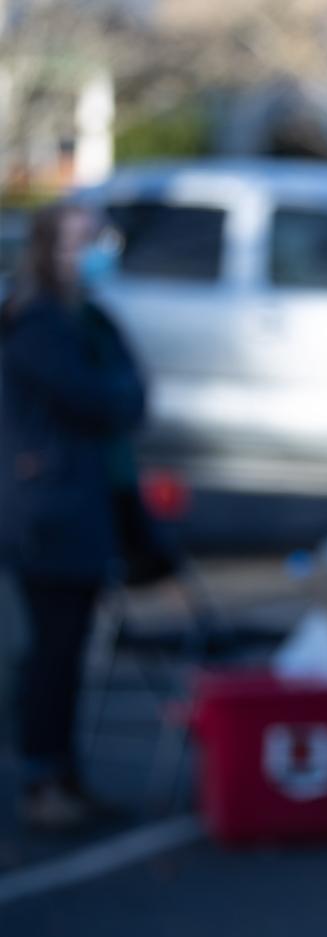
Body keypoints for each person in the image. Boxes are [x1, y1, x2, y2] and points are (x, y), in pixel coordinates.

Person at [0, 203, 145, 830]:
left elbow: (131, 394)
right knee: (50, 654)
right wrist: (113, 395)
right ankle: (41, 779)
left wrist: (115, 396)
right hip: (47, 512)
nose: (96, 249)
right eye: (83, 239)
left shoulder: (90, 319)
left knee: (70, 648)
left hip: (84, 505)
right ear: (50, 249)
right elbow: (99, 396)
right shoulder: (35, 324)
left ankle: (63, 774)